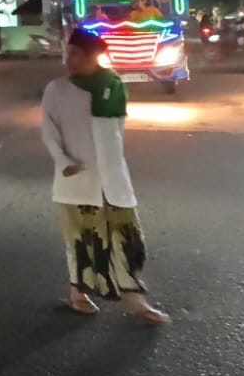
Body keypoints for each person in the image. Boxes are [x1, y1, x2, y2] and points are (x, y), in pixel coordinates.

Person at [40, 29, 170, 324]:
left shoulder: (113, 85)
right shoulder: (57, 89)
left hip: (114, 179)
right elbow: (49, 130)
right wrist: (63, 161)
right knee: (81, 241)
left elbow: (115, 133)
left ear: (93, 55)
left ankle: (136, 302)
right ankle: (78, 295)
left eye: (75, 54)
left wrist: (114, 165)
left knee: (127, 238)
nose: (68, 59)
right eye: (67, 53)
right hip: (75, 180)